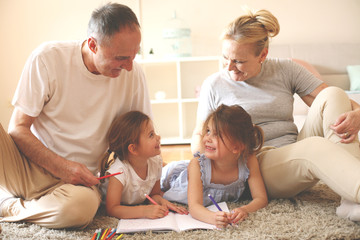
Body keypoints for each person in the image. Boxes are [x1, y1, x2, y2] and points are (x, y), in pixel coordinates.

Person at [191, 9, 360, 222]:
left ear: (262, 55)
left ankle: (351, 200)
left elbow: (339, 102)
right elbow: (199, 134)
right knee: (315, 147)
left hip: (293, 148)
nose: (229, 67)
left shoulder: (285, 69)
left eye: (239, 61)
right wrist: (205, 170)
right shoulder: (214, 85)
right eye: (225, 58)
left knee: (333, 94)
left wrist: (358, 116)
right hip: (257, 164)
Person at [0, 3, 152, 228]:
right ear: (93, 44)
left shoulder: (134, 75)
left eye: (134, 55)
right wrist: (62, 166)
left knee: (79, 211)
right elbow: (18, 128)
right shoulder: (47, 58)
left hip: (80, 184)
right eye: (121, 58)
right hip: (27, 166)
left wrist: (152, 187)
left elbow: (141, 137)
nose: (129, 66)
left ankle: (9, 206)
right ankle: (33, 203)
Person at [161, 104, 268, 228]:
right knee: (153, 179)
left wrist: (244, 209)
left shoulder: (248, 160)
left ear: (237, 147)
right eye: (208, 131)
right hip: (176, 177)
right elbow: (194, 207)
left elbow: (261, 198)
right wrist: (212, 218)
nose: (207, 138)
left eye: (216, 134)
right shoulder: (197, 165)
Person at [99, 111, 188, 220]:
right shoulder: (119, 171)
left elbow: (154, 195)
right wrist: (144, 211)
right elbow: (112, 209)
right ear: (133, 149)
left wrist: (163, 202)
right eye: (151, 135)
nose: (158, 137)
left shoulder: (156, 162)